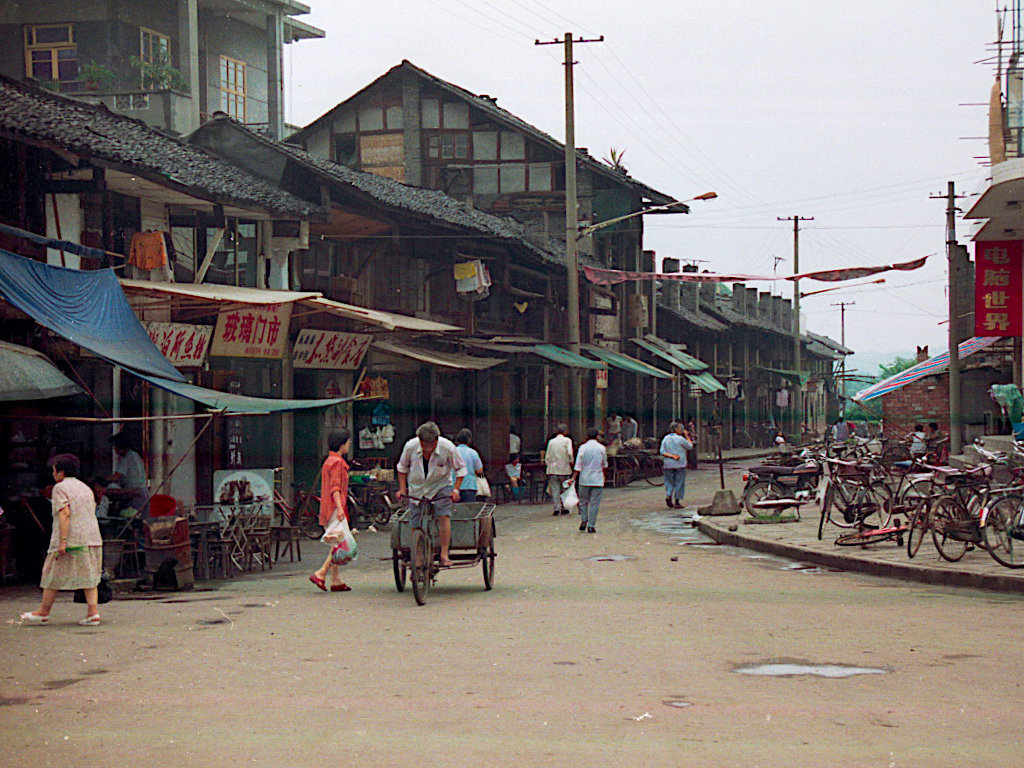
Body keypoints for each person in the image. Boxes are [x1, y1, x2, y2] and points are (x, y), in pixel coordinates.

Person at [20, 454, 104, 626]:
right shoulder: (85, 487)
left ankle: (43, 611)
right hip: (91, 537)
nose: (53, 474)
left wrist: (63, 541)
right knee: (89, 575)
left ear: (61, 471)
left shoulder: (60, 488)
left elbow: (65, 513)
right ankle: (93, 613)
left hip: (71, 539)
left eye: (54, 470)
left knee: (51, 572)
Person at [396, 422, 466, 567]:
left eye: (431, 444)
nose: (428, 448)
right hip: (417, 487)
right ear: (419, 440)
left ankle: (444, 554)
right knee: (415, 522)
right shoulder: (410, 446)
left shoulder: (448, 447)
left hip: (440, 486)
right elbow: (402, 468)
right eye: (424, 444)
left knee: (443, 515)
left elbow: (460, 470)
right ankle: (419, 556)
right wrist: (402, 489)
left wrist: (455, 490)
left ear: (436, 440)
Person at [310, 429, 352, 593]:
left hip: (328, 507)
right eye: (347, 442)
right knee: (339, 541)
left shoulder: (329, 460)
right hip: (335, 507)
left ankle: (335, 580)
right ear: (342, 444)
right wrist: (340, 508)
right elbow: (336, 488)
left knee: (338, 541)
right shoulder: (338, 463)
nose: (349, 445)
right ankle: (321, 573)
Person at [571, 427, 608, 533]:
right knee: (595, 503)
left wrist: (573, 478)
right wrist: (603, 476)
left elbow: (578, 466)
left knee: (583, 502)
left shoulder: (582, 448)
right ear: (597, 436)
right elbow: (604, 465)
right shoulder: (602, 448)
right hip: (597, 479)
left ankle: (583, 520)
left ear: (586, 436)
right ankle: (591, 525)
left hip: (584, 479)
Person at [106, 432, 150, 517]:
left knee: (130, 519)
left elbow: (116, 477)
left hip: (136, 493)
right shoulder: (135, 455)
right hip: (143, 492)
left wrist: (102, 478)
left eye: (115, 446)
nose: (114, 449)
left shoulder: (127, 458)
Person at [660, 421, 695, 509]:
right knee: (679, 482)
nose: (682, 430)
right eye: (680, 428)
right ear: (675, 429)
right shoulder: (680, 439)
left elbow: (662, 452)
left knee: (669, 482)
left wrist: (671, 456)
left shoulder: (665, 438)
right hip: (680, 464)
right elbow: (690, 446)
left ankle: (668, 495)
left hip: (668, 464)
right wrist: (687, 436)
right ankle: (677, 501)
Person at [544, 423, 574, 516]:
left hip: (553, 468)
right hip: (564, 468)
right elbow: (569, 453)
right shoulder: (567, 440)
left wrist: (548, 466)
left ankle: (556, 508)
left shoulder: (551, 441)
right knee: (564, 488)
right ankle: (564, 507)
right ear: (565, 431)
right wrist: (571, 461)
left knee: (555, 488)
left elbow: (547, 456)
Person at [454, 428, 484, 503]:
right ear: (469, 440)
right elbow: (480, 470)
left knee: (454, 511)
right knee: (469, 510)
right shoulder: (473, 453)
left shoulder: (452, 451)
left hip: (454, 486)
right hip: (470, 485)